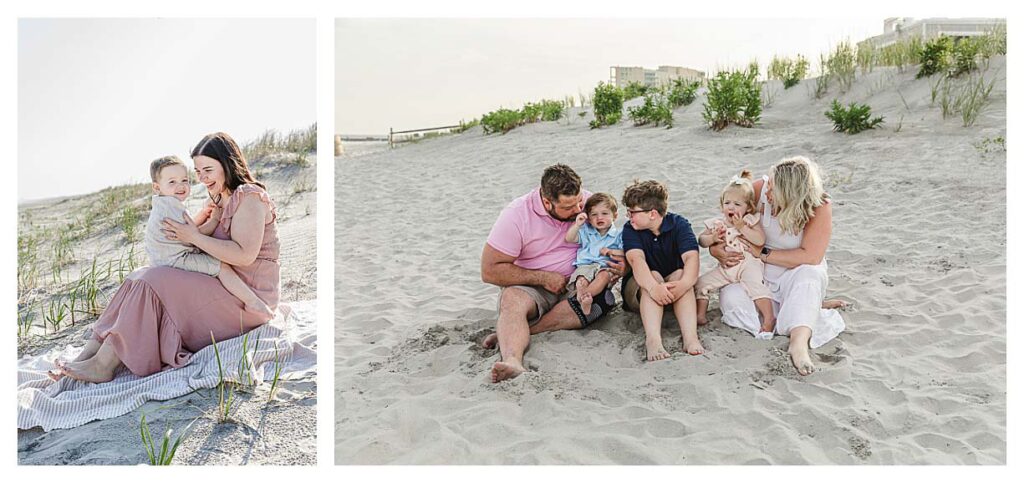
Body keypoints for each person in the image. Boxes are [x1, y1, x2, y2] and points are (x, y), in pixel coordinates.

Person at [54, 132, 281, 383]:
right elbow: (201, 241)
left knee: (153, 279)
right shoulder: (218, 198)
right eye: (198, 172)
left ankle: (103, 365)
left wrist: (192, 236)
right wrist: (193, 234)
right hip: (220, 285)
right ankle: (88, 356)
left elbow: (244, 256)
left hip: (248, 298)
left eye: (208, 170)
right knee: (138, 277)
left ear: (227, 164)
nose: (202, 179)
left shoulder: (248, 197)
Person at [480, 164, 623, 383]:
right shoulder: (516, 215)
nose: (578, 210)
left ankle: (514, 332)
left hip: (578, 282)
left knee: (598, 300)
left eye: (579, 202)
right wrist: (542, 278)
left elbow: (613, 241)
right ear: (547, 202)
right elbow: (489, 270)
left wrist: (621, 266)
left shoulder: (589, 203)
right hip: (533, 287)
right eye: (568, 207)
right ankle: (512, 360)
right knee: (512, 300)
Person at [710, 156, 845, 376]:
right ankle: (795, 311)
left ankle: (798, 343)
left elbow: (810, 256)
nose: (766, 192)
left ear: (790, 194)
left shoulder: (819, 207)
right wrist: (716, 250)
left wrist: (762, 253)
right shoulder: (758, 189)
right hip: (755, 274)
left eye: (773, 189)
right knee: (732, 298)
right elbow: (726, 224)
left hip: (795, 271)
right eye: (768, 185)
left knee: (810, 276)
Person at [145, 155, 273, 320]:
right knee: (221, 267)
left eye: (185, 180)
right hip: (177, 258)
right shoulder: (171, 208)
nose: (181, 186)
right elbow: (194, 235)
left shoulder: (164, 204)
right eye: (172, 182)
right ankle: (253, 302)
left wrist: (203, 213)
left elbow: (188, 228)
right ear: (156, 187)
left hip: (163, 257)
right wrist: (213, 220)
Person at [620, 179, 703, 361]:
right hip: (640, 289)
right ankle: (653, 341)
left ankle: (690, 338)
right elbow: (637, 261)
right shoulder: (630, 229)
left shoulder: (679, 224)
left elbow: (691, 258)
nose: (629, 216)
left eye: (632, 212)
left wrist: (683, 285)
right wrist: (653, 287)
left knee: (682, 275)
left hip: (673, 288)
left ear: (653, 214)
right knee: (654, 275)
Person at [695, 170, 774, 337]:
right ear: (721, 204)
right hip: (726, 268)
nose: (731, 207)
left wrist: (742, 228)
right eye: (727, 203)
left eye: (738, 204)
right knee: (701, 284)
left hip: (748, 264)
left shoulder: (749, 221)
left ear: (748, 208)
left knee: (755, 286)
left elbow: (760, 240)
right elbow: (701, 241)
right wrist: (712, 238)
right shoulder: (717, 223)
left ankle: (768, 317)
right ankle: (700, 315)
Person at [563, 193, 624, 316]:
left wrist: (611, 252)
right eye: (594, 215)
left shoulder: (618, 234)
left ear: (615, 216)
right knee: (581, 280)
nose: (599, 218)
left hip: (604, 266)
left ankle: (585, 296)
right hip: (586, 265)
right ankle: (584, 298)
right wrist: (577, 224)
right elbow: (570, 238)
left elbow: (626, 252)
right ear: (589, 219)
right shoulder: (587, 231)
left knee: (604, 277)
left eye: (604, 213)